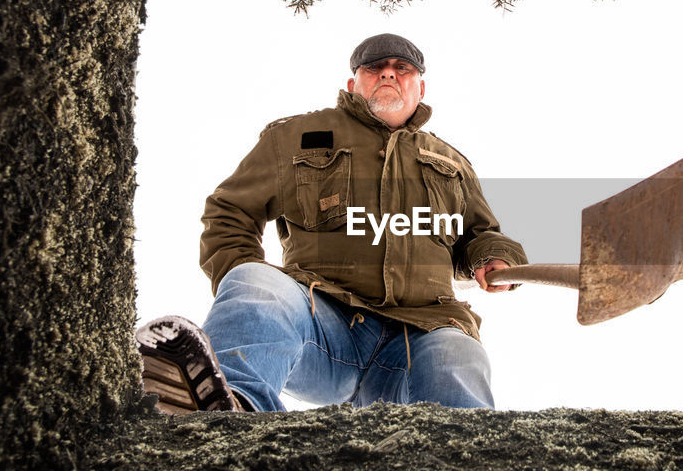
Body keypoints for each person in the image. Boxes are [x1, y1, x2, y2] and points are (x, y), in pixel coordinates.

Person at [135, 34, 526, 414]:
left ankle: (467, 461)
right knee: (255, 280)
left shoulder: (452, 164)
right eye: (375, 67)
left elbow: (480, 233)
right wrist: (242, 298)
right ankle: (226, 405)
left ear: (420, 88)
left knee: (460, 353)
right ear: (352, 83)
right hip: (322, 327)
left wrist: (494, 257)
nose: (388, 74)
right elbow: (230, 211)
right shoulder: (295, 138)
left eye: (402, 68)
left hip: (424, 333)